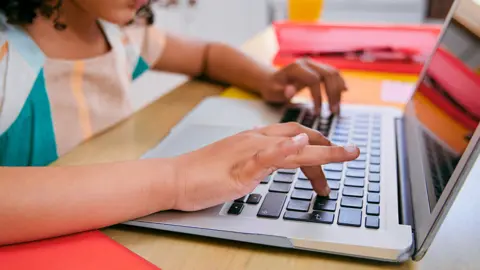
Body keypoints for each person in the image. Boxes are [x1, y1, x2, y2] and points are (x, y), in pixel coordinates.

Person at [0, 0, 359, 246]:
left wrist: (269, 79)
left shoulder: (121, 36)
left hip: (115, 226)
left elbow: (206, 55)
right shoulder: (8, 57)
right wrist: (178, 178)